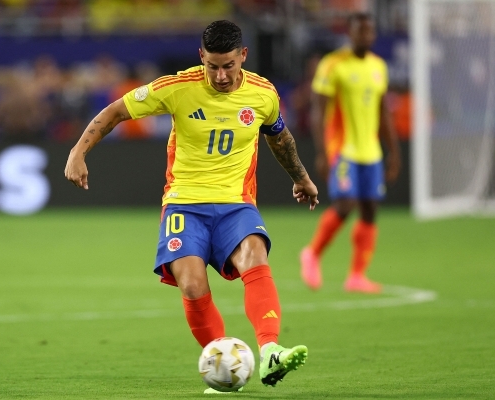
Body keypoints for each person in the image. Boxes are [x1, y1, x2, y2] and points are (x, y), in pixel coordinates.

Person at [65, 20, 319, 392]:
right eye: (212, 66)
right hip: (185, 205)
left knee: (254, 255)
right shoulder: (177, 87)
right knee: (192, 283)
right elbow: (116, 111)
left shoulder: (264, 94)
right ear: (201, 57)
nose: (220, 75)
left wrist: (301, 177)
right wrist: (77, 152)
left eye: (229, 66)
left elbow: (279, 138)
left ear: (243, 57)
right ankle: (221, 362)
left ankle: (270, 351)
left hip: (236, 202)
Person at [300, 12, 401, 294]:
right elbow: (319, 111)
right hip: (342, 149)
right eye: (359, 31)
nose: (365, 36)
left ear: (373, 35)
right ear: (350, 33)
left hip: (371, 152)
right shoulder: (333, 64)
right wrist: (321, 152)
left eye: (369, 32)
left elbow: (383, 113)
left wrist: (394, 152)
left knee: (369, 210)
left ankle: (357, 275)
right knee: (346, 205)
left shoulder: (379, 67)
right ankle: (312, 254)